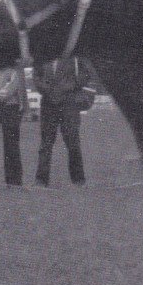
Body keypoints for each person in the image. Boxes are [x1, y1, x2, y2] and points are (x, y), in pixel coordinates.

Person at [33, 56, 96, 187]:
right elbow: (36, 76)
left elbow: (86, 73)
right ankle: (40, 181)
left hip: (69, 105)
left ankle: (78, 180)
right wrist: (44, 88)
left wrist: (72, 84)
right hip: (48, 105)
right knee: (46, 144)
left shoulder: (73, 55)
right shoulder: (42, 55)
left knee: (73, 143)